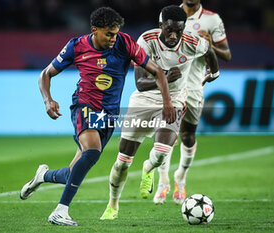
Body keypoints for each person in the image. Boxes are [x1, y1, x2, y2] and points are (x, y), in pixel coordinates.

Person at [19, 7, 176, 226]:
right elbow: (46, 74)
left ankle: (42, 176)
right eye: (109, 34)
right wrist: (48, 100)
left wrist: (167, 103)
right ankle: (60, 211)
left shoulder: (125, 43)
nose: (114, 38)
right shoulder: (76, 46)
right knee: (92, 151)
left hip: (109, 114)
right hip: (85, 106)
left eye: (115, 33)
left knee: (75, 171)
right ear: (94, 30)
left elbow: (157, 72)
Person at [100, 5, 219, 220]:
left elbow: (209, 50)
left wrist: (214, 72)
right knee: (123, 160)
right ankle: (113, 204)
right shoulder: (147, 40)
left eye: (179, 31)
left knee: (162, 150)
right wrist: (164, 76)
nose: (174, 36)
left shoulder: (192, 42)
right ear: (161, 25)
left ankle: (148, 168)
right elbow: (140, 83)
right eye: (169, 30)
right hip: (144, 100)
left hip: (174, 100)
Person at [153, 0, 232, 205]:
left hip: (195, 86)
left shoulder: (212, 19)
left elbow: (227, 55)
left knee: (188, 135)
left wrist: (210, 45)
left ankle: (181, 176)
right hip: (170, 84)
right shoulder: (169, 14)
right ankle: (163, 181)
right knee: (166, 135)